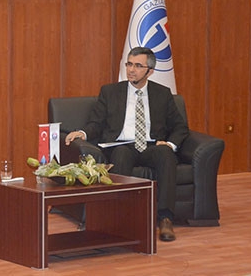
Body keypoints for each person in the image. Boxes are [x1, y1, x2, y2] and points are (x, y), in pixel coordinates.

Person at [65, 47, 188, 242]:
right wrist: (82, 133)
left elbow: (180, 126)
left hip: (150, 145)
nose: (131, 70)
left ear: (150, 71)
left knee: (166, 154)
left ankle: (165, 219)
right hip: (120, 145)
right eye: (129, 64)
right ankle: (120, 218)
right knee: (121, 153)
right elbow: (96, 123)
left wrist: (170, 144)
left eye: (138, 66)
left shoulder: (162, 94)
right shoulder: (110, 92)